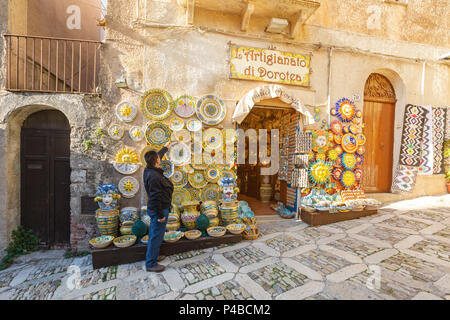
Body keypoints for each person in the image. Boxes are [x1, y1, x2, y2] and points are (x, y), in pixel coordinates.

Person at [143, 142, 173, 272]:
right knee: (155, 235)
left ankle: (154, 256)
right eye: (158, 158)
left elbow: (158, 155)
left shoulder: (149, 169)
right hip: (159, 209)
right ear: (156, 162)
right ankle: (151, 263)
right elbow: (155, 198)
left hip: (159, 208)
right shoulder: (154, 176)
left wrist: (165, 148)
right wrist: (160, 215)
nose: (160, 159)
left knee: (158, 234)